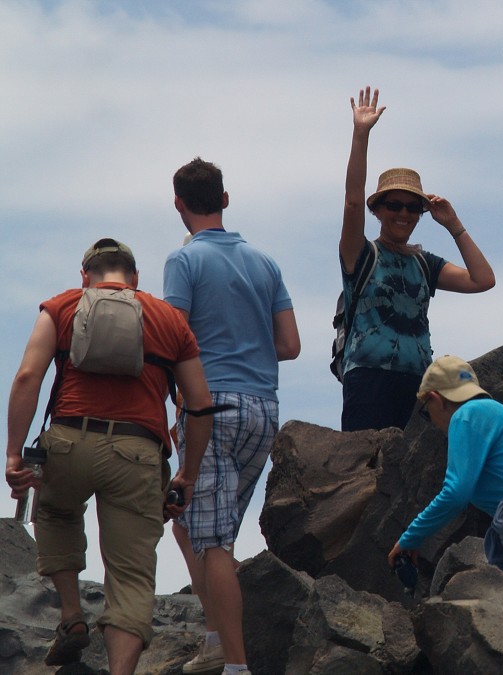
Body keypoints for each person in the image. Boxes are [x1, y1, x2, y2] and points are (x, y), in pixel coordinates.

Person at [5, 239, 212, 675]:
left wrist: (12, 454)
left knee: (57, 515)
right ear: (134, 279)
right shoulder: (169, 319)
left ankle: (71, 615)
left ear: (86, 276)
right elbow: (199, 403)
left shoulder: (62, 307)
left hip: (68, 443)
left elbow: (28, 377)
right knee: (132, 575)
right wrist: (188, 474)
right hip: (137, 453)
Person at [164, 158, 301, 675]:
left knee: (214, 540)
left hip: (209, 408)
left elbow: (171, 337)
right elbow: (289, 345)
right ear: (226, 198)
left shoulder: (185, 261)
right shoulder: (265, 263)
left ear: (179, 204)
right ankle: (216, 634)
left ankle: (234, 662)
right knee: (191, 522)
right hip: (263, 409)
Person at [339, 86, 496, 432]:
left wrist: (454, 225)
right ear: (378, 210)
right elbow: (352, 202)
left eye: (413, 208)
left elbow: (483, 280)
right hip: (368, 378)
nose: (404, 214)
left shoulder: (425, 264)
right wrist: (360, 135)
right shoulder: (362, 255)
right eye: (393, 205)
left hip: (418, 383)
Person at [387, 355, 503, 570]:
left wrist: (410, 538)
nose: (431, 421)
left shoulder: (466, 415)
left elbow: (455, 494)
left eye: (426, 412)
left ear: (436, 398)